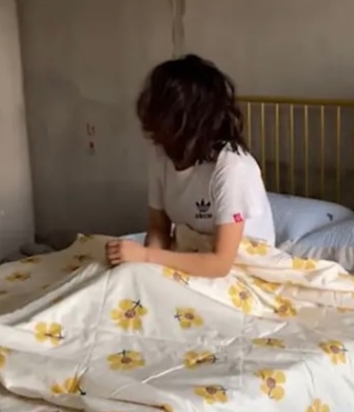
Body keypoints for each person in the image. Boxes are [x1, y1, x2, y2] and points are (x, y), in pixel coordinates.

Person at [105, 54, 275, 278]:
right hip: (190, 253)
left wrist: (146, 256)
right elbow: (158, 229)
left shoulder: (232, 168)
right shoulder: (162, 154)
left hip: (238, 268)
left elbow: (221, 264)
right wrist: (145, 266)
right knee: (121, 279)